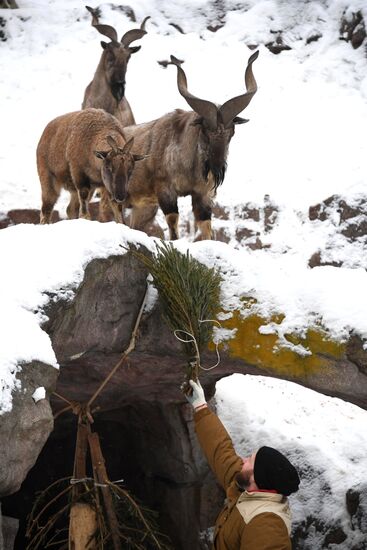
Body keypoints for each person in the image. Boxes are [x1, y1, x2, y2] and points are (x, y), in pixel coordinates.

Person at [184, 379, 300, 550]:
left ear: (256, 478)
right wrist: (201, 407)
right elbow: (221, 451)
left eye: (249, 461)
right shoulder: (247, 487)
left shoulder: (267, 524)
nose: (243, 460)